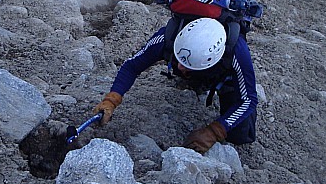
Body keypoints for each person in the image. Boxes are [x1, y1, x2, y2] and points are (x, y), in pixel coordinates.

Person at [93, 17, 258, 153]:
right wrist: (112, 99)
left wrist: (215, 131)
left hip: (223, 76)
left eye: (187, 65)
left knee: (240, 135)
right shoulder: (168, 37)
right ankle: (194, 80)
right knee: (183, 70)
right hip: (198, 68)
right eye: (179, 60)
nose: (179, 67)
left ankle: (208, 81)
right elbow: (132, 66)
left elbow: (249, 99)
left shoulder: (237, 53)